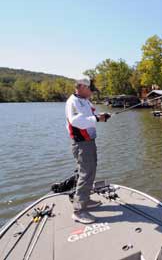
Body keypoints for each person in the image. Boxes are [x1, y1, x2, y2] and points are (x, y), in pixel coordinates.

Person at [65, 78, 110, 224]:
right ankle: (78, 211)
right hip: (81, 144)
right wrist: (97, 118)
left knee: (90, 171)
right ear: (82, 87)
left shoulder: (84, 100)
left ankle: (86, 200)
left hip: (89, 142)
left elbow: (90, 116)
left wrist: (102, 116)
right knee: (86, 173)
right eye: (90, 89)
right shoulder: (73, 102)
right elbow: (76, 121)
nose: (92, 93)